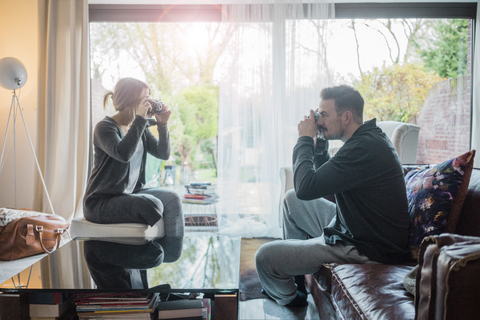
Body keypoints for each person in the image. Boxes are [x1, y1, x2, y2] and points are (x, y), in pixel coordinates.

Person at [255, 85, 409, 307]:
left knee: (265, 257)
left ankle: (290, 299)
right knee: (292, 200)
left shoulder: (364, 148)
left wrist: (305, 140)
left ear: (346, 117)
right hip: (354, 226)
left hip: (366, 248)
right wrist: (319, 146)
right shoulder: (365, 140)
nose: (318, 122)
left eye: (324, 115)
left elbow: (306, 187)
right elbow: (326, 183)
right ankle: (298, 281)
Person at [83, 77, 184, 238]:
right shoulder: (105, 128)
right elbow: (124, 154)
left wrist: (162, 125)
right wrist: (140, 120)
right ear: (131, 99)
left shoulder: (140, 127)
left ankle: (171, 254)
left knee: (173, 199)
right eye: (146, 98)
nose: (151, 102)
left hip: (130, 193)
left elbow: (162, 154)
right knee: (154, 205)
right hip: (101, 202)